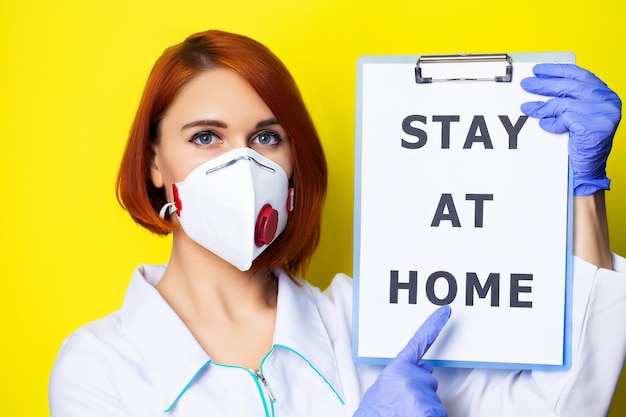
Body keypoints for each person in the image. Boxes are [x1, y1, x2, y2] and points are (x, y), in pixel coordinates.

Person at [48, 30, 626, 417]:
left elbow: (560, 405)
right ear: (154, 162)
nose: (242, 164)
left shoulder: (370, 320)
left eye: (266, 137)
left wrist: (583, 192)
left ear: (293, 162)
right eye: (206, 137)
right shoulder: (100, 368)